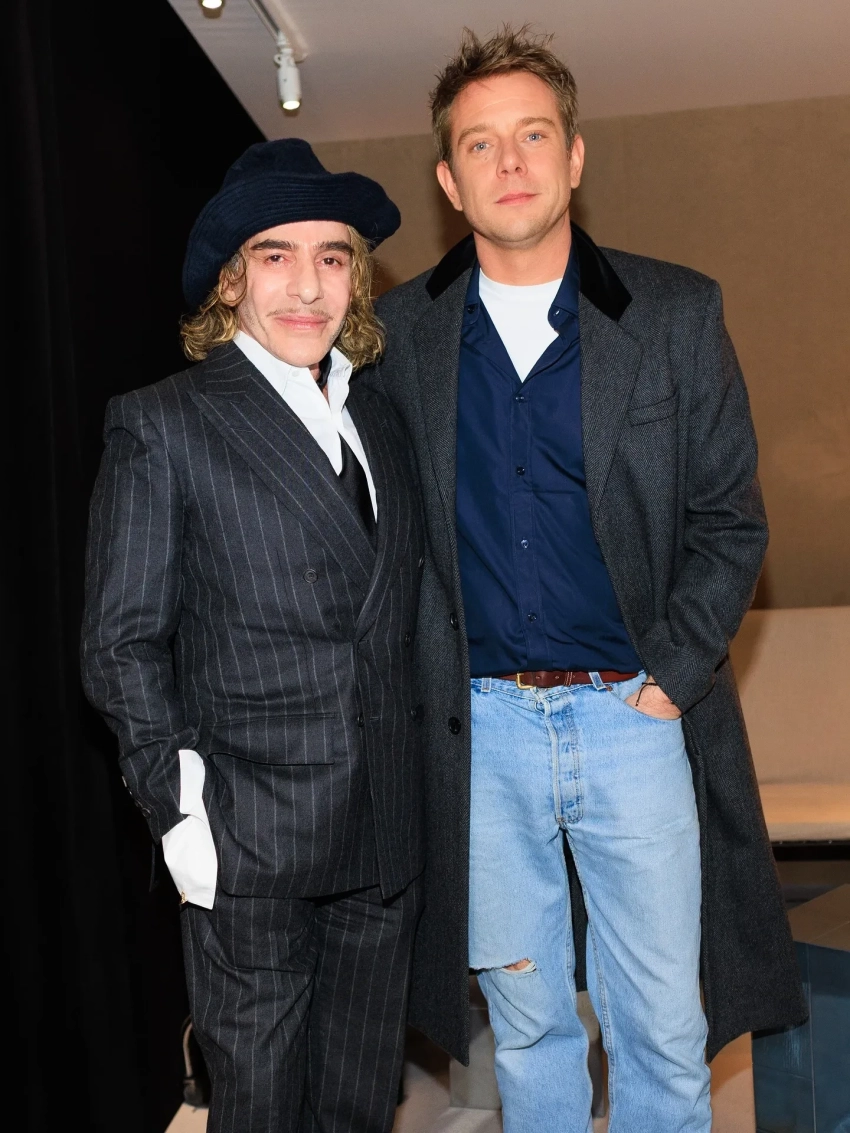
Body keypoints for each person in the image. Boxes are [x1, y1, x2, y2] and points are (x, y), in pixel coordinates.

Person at [366, 26, 805, 1133]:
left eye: (532, 136)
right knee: (526, 1026)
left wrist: (668, 678)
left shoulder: (675, 313)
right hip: (481, 735)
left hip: (632, 719)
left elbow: (730, 520)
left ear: (573, 156)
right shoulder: (399, 339)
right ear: (448, 181)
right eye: (480, 144)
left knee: (661, 1023)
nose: (508, 161)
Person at [81, 138, 425, 1133]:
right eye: (276, 256)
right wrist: (181, 811)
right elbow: (119, 642)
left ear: (355, 278)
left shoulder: (380, 421)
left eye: (331, 256)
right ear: (231, 281)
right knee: (262, 1107)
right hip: (252, 836)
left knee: (358, 1102)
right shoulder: (165, 422)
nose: (308, 286)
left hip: (385, 830)